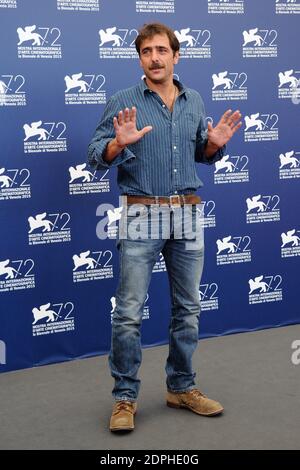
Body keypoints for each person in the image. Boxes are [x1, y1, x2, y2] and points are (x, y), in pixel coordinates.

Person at [88, 22, 242, 432]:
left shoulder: (194, 100)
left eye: (161, 50)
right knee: (128, 313)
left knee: (188, 309)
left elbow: (201, 153)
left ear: (176, 55)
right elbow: (94, 156)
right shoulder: (123, 101)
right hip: (141, 214)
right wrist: (118, 143)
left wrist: (214, 144)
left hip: (188, 214)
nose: (154, 58)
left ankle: (181, 387)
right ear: (139, 58)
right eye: (146, 52)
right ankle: (124, 398)